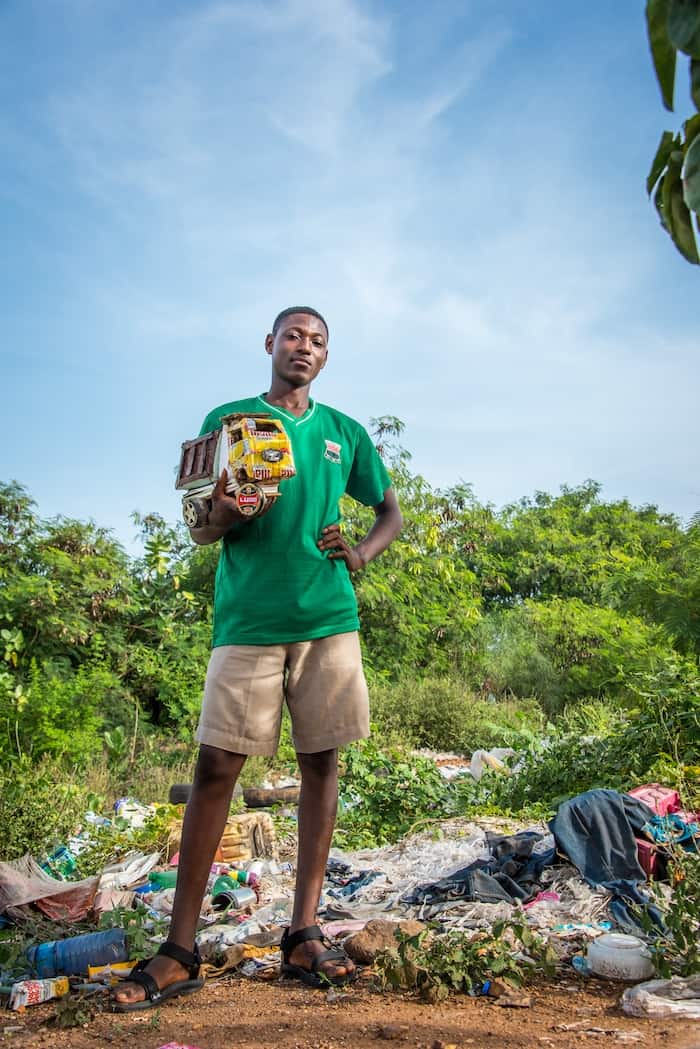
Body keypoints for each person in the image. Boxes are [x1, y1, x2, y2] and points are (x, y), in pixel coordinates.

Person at [113, 306, 402, 1010]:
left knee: (321, 761)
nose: (306, 347)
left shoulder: (342, 433)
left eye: (319, 341)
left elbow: (391, 509)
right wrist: (228, 514)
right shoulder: (230, 418)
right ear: (270, 344)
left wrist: (360, 551)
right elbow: (198, 526)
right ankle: (180, 948)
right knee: (215, 764)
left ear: (326, 357)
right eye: (295, 336)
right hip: (246, 618)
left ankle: (303, 931)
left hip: (327, 617)